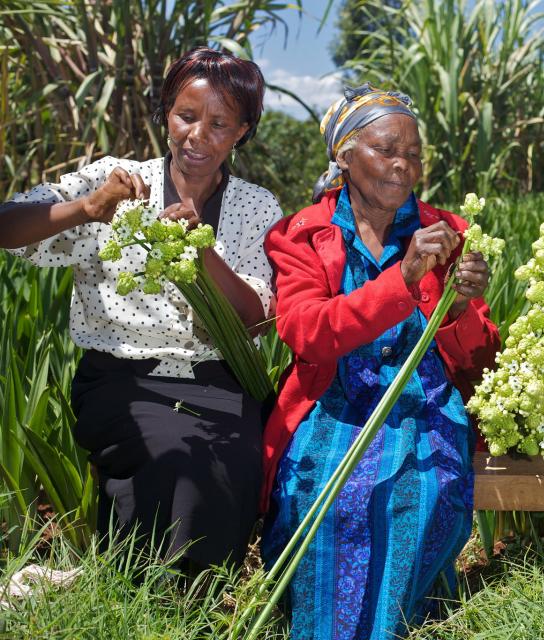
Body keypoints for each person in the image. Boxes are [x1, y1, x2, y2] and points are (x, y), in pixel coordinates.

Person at [0, 47, 282, 570]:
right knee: (175, 460)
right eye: (186, 116)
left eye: (219, 123)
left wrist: (199, 252)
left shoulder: (256, 206)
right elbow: (8, 227)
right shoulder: (116, 181)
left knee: (234, 466)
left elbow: (256, 319)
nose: (197, 135)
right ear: (166, 114)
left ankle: (184, 599)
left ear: (242, 131)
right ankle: (155, 600)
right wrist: (87, 209)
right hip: (125, 379)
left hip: (220, 381)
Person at [260, 84, 500, 640]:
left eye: (413, 154)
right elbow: (307, 334)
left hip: (422, 396)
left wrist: (459, 308)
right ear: (343, 156)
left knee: (417, 488)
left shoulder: (451, 231)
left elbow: (478, 353)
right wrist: (405, 278)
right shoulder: (303, 234)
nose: (402, 166)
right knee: (323, 492)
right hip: (334, 398)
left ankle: (391, 626)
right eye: (386, 150)